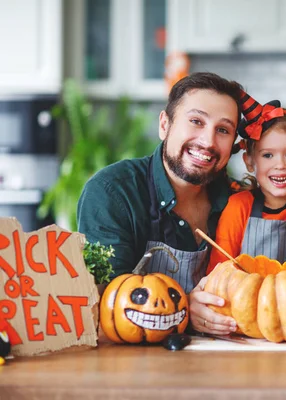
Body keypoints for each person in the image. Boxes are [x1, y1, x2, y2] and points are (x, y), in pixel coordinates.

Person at [77, 72, 241, 335]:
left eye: (223, 130)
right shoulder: (112, 192)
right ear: (165, 125)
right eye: (196, 121)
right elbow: (110, 300)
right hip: (134, 364)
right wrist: (185, 307)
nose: (208, 142)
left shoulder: (238, 200)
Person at [207, 92, 286, 272]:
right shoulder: (238, 207)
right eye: (267, 155)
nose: (280, 165)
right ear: (249, 161)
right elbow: (220, 271)